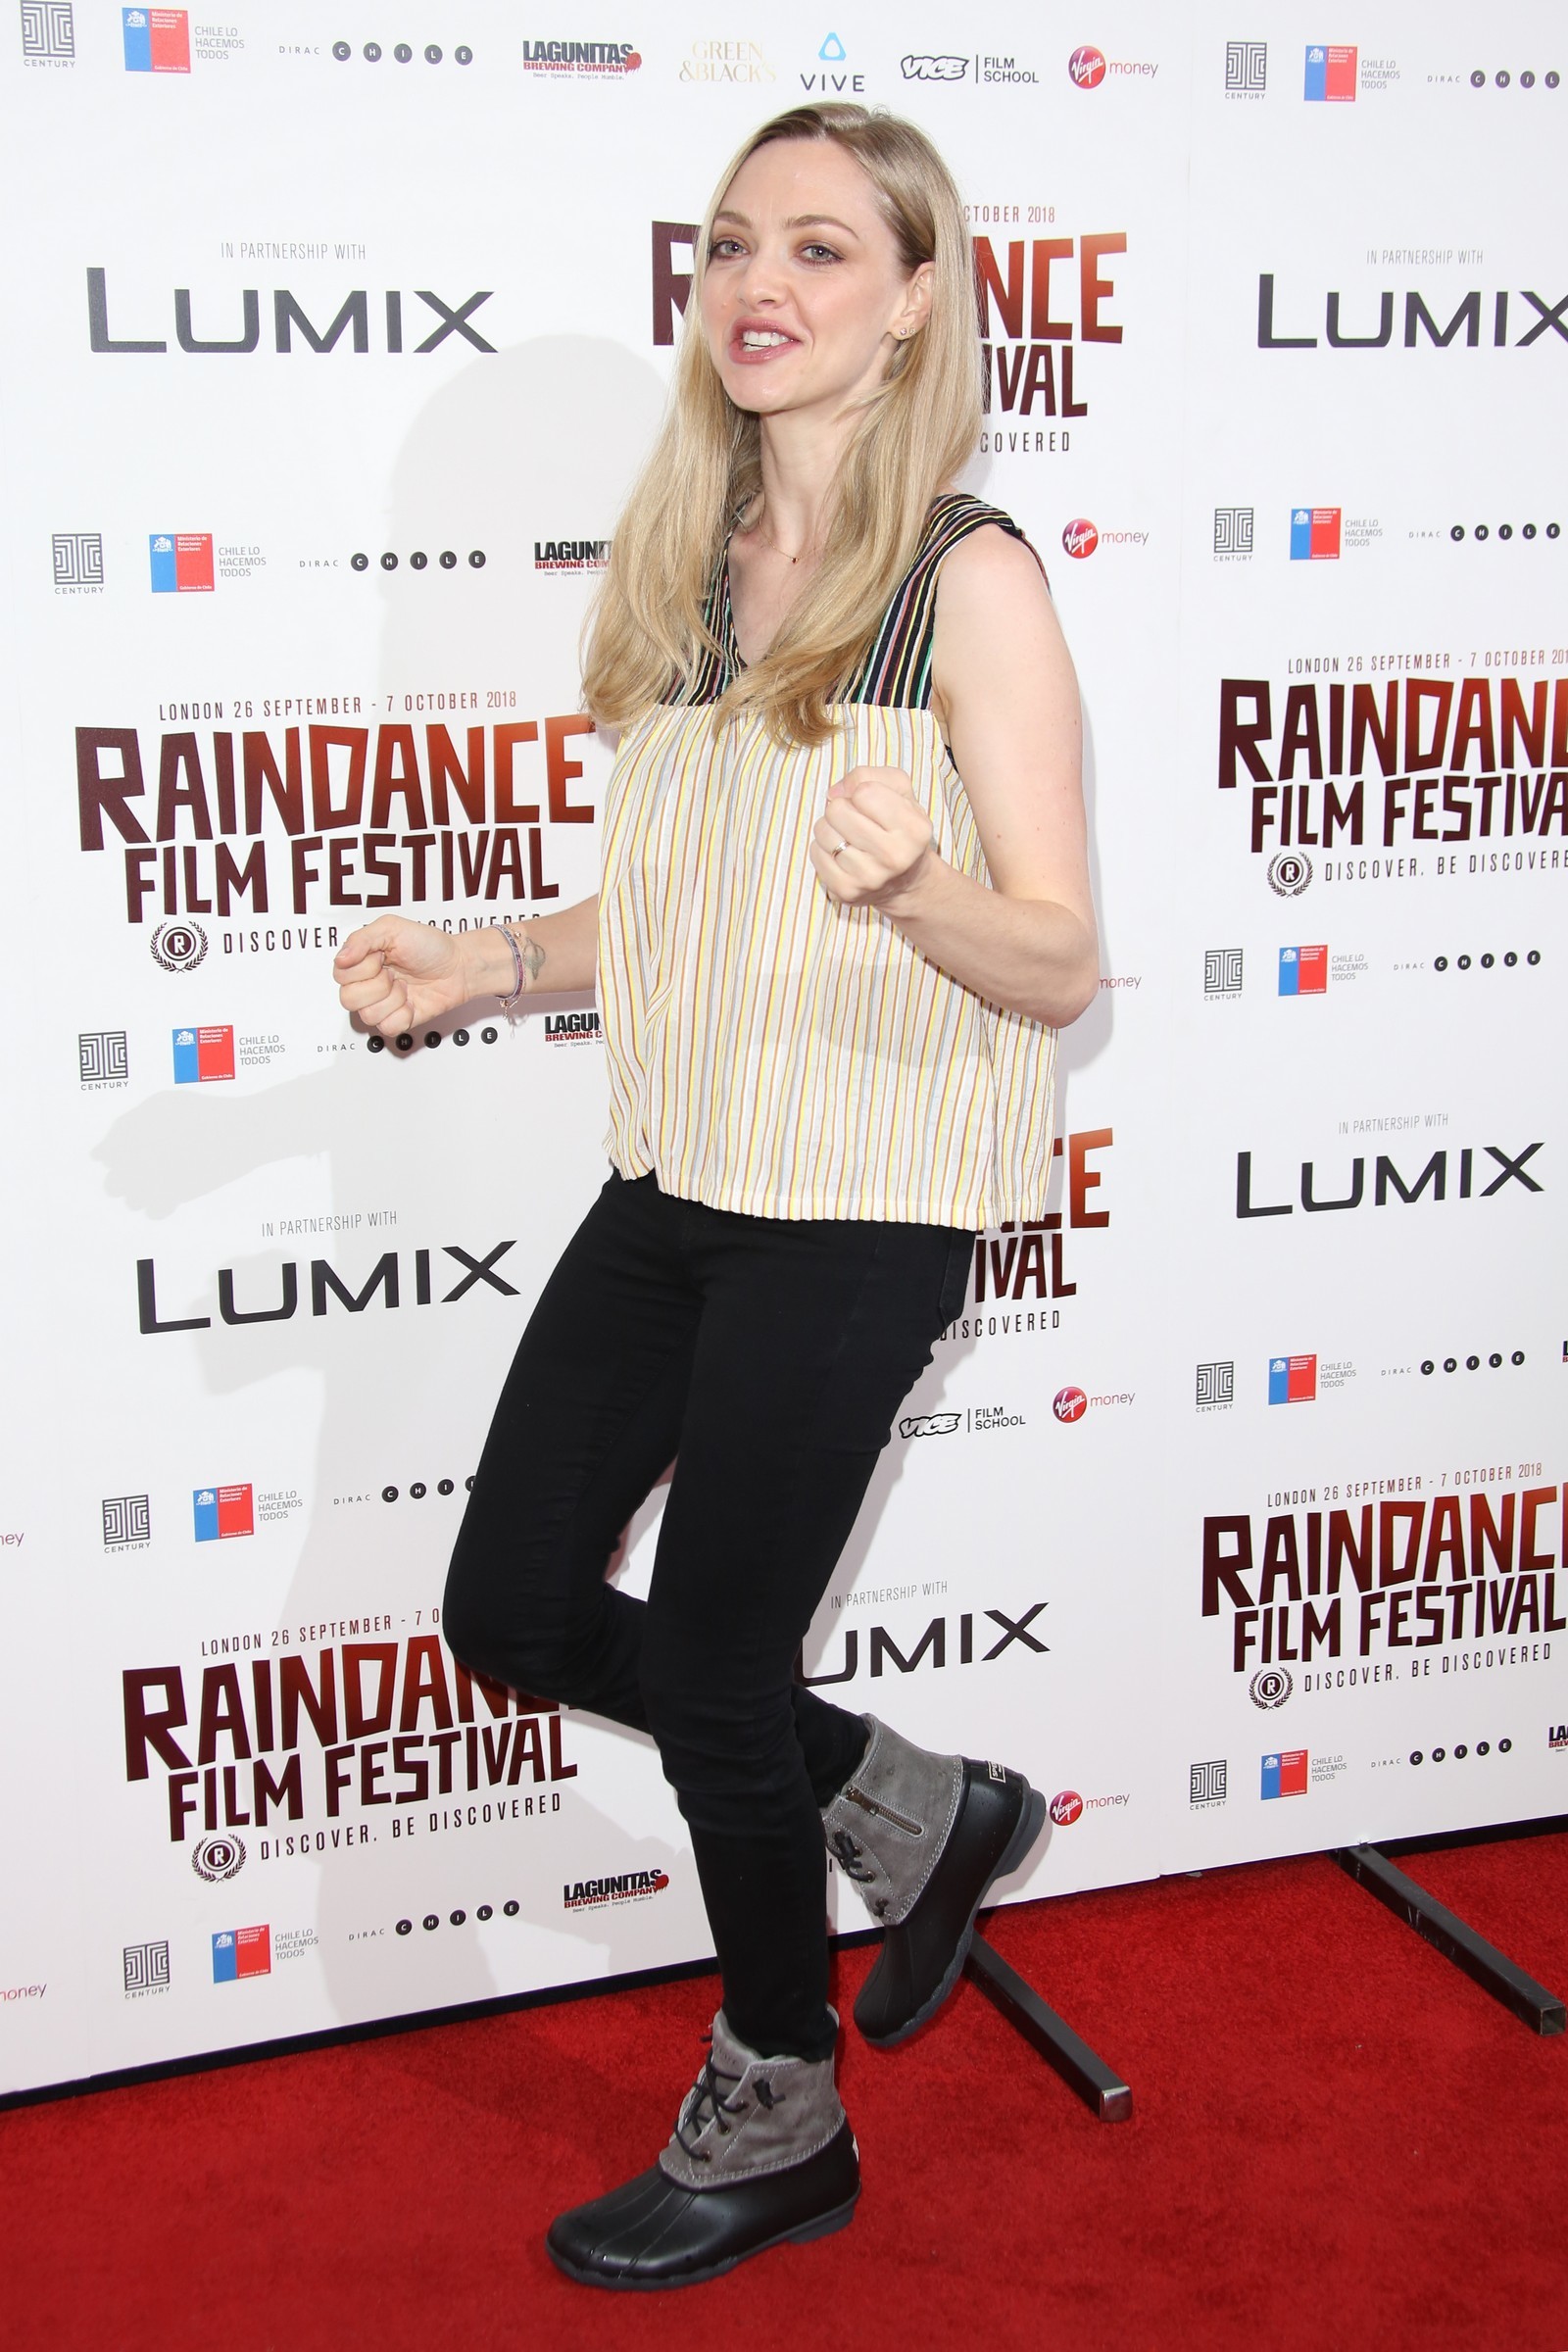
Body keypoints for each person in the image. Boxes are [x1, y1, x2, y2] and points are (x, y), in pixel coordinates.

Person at [332, 101, 1097, 2291]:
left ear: (916, 300)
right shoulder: (687, 567)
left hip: (862, 1201)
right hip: (679, 1175)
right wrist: (488, 962)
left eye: (823, 249)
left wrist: (926, 885)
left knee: (724, 1675)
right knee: (511, 1608)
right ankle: (914, 1803)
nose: (762, 284)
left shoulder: (962, 577)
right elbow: (680, 914)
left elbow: (1058, 958)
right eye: (734, 244)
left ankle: (780, 2105)